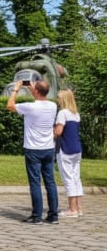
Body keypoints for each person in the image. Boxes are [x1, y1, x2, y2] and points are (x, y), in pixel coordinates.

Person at [6, 79, 59, 224]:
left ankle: (37, 216)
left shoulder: (30, 107)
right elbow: (39, 99)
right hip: (48, 148)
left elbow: (10, 105)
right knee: (50, 182)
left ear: (36, 91)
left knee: (35, 182)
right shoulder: (53, 106)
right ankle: (53, 215)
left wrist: (16, 89)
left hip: (33, 148)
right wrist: (33, 89)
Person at [54, 88, 83, 218]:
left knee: (68, 179)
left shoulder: (62, 113)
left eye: (59, 97)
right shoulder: (76, 114)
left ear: (63, 99)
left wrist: (50, 131)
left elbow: (59, 132)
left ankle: (72, 209)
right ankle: (79, 208)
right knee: (76, 178)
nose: (57, 99)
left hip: (65, 149)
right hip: (77, 149)